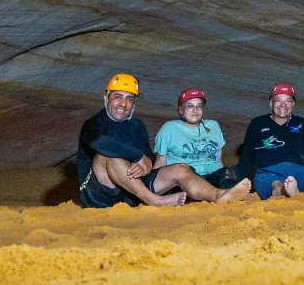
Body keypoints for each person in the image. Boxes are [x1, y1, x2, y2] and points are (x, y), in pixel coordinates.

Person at [77, 73, 252, 208]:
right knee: (107, 155)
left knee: (181, 167)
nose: (123, 103)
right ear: (106, 97)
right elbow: (100, 142)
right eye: (118, 96)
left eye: (129, 98)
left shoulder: (136, 126)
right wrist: (137, 156)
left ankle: (219, 195)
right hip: (99, 196)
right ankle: (154, 201)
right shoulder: (93, 124)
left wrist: (143, 164)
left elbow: (146, 157)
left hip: (131, 193)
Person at [236, 82, 304, 199]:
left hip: (297, 170)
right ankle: (287, 191)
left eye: (288, 100)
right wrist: (241, 185)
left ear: (293, 104)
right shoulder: (257, 123)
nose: (283, 105)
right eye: (278, 100)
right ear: (271, 103)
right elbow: (246, 157)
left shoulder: (301, 123)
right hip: (268, 172)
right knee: (276, 185)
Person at [154, 88, 240, 189]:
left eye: (199, 106)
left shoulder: (213, 126)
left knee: (231, 171)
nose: (195, 110)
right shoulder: (169, 128)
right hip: (185, 179)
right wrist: (152, 186)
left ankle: (225, 194)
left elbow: (219, 161)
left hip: (210, 177)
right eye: (190, 106)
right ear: (181, 110)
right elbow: (160, 162)